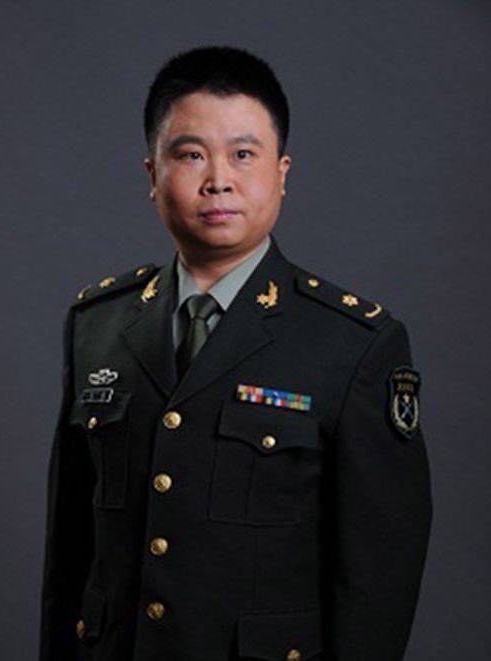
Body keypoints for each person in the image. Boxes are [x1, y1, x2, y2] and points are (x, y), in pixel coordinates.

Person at [39, 45, 433, 661]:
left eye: (243, 154)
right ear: (152, 174)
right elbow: (70, 555)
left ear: (282, 172)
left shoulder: (353, 344)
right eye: (191, 154)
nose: (217, 179)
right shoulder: (98, 324)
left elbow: (379, 579)